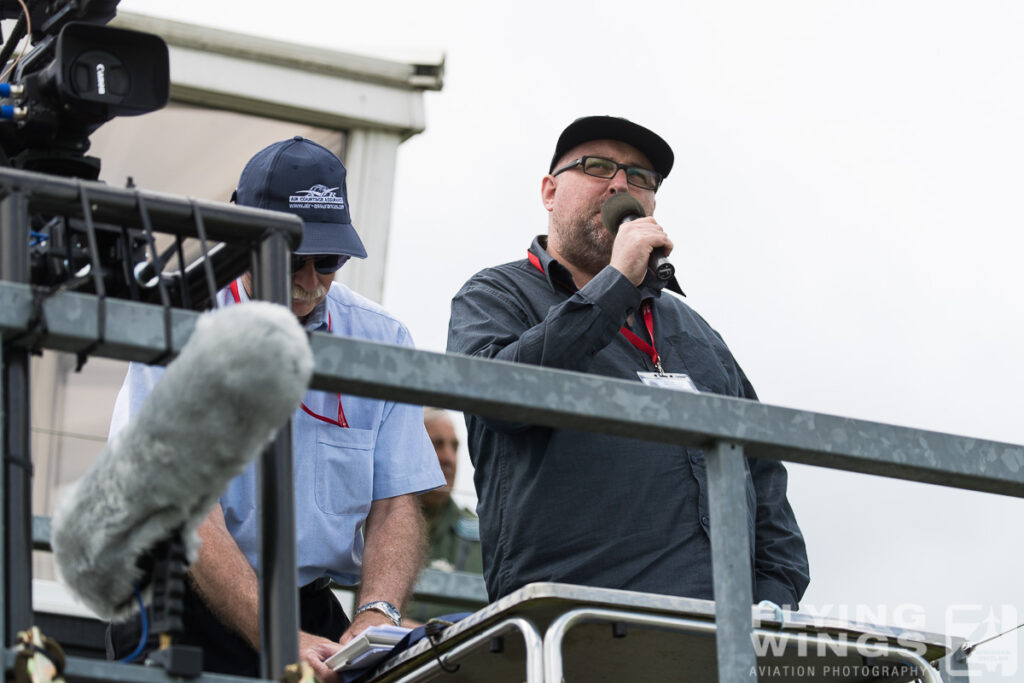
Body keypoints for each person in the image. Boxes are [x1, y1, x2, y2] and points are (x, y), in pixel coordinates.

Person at [107, 136, 444, 680]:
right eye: (290, 257)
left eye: (329, 260)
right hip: (178, 602)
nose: (310, 282)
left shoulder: (382, 339)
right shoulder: (183, 323)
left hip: (308, 606)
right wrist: (277, 633)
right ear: (240, 242)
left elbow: (396, 503)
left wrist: (376, 611)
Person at [446, 116, 810, 607]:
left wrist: (774, 595)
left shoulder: (694, 330)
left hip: (719, 633)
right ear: (550, 191)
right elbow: (499, 401)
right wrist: (616, 281)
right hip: (576, 624)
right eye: (597, 167)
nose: (621, 183)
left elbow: (762, 467)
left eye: (640, 177)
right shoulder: (495, 295)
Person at [406, 408, 483, 623]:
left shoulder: (484, 535)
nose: (448, 458)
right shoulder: (368, 528)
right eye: (437, 444)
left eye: (455, 447)